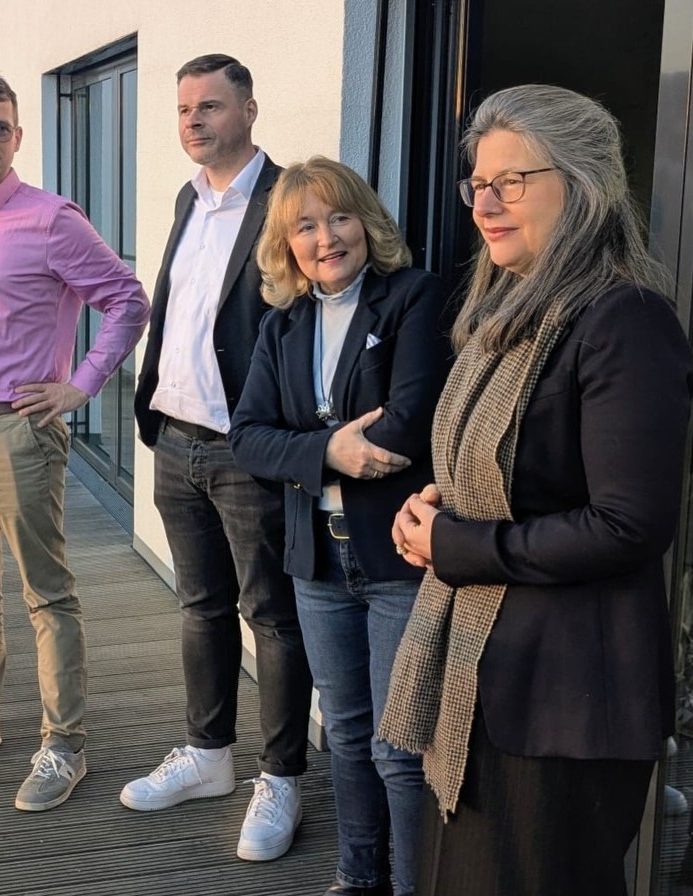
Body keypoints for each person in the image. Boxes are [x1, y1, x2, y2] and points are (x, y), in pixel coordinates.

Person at [380, 84, 693, 896]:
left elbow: (628, 524)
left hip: (562, 707)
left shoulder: (623, 320)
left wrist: (459, 546)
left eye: (512, 182)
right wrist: (437, 508)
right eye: (479, 185)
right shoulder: (508, 318)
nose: (486, 205)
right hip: (488, 682)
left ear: (584, 186)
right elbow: (514, 478)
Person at [0, 74, 150, 812]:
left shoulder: (52, 220)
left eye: (1, 128)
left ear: (18, 136)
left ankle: (65, 744)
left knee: (48, 594)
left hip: (18, 432)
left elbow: (127, 299)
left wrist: (81, 385)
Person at [229, 157, 450, 895]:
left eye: (339, 217)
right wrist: (329, 450)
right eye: (306, 226)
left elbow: (408, 423)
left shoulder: (412, 298)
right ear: (286, 244)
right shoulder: (281, 325)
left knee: (398, 744)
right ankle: (358, 877)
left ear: (367, 222)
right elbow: (247, 438)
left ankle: (412, 884)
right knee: (347, 732)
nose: (326, 238)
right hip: (317, 559)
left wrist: (304, 448)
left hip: (397, 555)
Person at [124, 54, 313, 862]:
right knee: (200, 605)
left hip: (247, 449)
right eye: (183, 109)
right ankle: (208, 756)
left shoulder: (287, 201)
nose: (193, 121)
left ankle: (283, 777)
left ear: (250, 110)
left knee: (271, 613)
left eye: (210, 106)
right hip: (176, 438)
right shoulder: (189, 198)